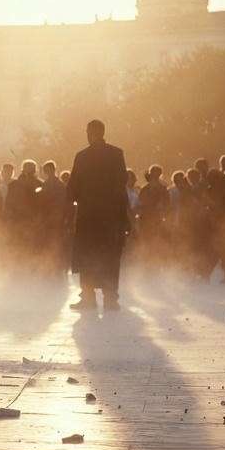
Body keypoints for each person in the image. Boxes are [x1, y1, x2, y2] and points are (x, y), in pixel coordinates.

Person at [65, 120, 129, 310]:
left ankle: (88, 297)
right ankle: (110, 298)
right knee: (109, 256)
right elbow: (121, 183)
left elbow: (73, 187)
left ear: (90, 133)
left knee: (88, 256)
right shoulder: (117, 154)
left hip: (88, 217)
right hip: (111, 216)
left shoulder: (82, 156)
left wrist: (76, 201)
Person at [136, 164, 171, 268]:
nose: (155, 177)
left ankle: (155, 263)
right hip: (147, 219)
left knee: (157, 241)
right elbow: (141, 204)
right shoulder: (145, 189)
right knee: (148, 242)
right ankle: (149, 263)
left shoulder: (162, 189)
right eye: (154, 174)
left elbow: (167, 205)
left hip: (157, 219)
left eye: (157, 174)